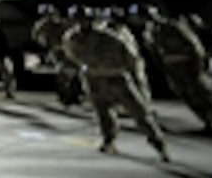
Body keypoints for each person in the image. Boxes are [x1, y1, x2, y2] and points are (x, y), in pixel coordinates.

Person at [63, 8, 169, 160]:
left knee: (139, 112)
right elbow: (72, 56)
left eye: (84, 19)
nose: (81, 23)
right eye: (77, 19)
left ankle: (158, 144)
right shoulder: (71, 37)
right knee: (103, 113)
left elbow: (130, 57)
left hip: (116, 77)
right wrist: (85, 68)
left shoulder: (109, 37)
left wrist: (131, 75)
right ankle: (108, 141)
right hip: (94, 80)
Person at [143, 8, 212, 132]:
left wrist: (199, 63)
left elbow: (194, 45)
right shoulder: (149, 32)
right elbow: (154, 52)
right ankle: (207, 120)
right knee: (186, 95)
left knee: (201, 92)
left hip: (187, 65)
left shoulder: (174, 27)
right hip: (173, 68)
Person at [32, 4, 82, 106]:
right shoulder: (45, 25)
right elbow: (37, 36)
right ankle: (64, 95)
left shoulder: (65, 23)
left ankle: (74, 95)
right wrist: (46, 44)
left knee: (74, 73)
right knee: (62, 73)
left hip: (68, 50)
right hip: (57, 51)